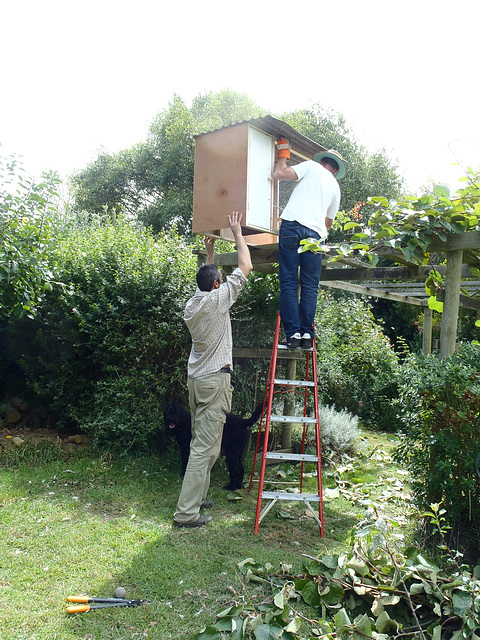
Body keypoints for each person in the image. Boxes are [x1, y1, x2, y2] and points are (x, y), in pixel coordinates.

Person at [173, 211, 253, 528]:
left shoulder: (194, 304)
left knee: (204, 445)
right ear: (218, 285)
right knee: (204, 449)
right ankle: (187, 513)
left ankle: (199, 497)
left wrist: (209, 255)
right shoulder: (217, 301)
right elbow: (246, 266)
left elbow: (205, 279)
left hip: (196, 382)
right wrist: (236, 231)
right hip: (213, 383)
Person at [274, 138, 346, 349]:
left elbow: (280, 174)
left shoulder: (311, 166)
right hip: (315, 236)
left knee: (288, 282)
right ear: (334, 170)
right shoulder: (335, 187)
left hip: (292, 226)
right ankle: (306, 336)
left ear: (322, 161)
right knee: (309, 287)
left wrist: (282, 156)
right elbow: (329, 223)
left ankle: (293, 335)